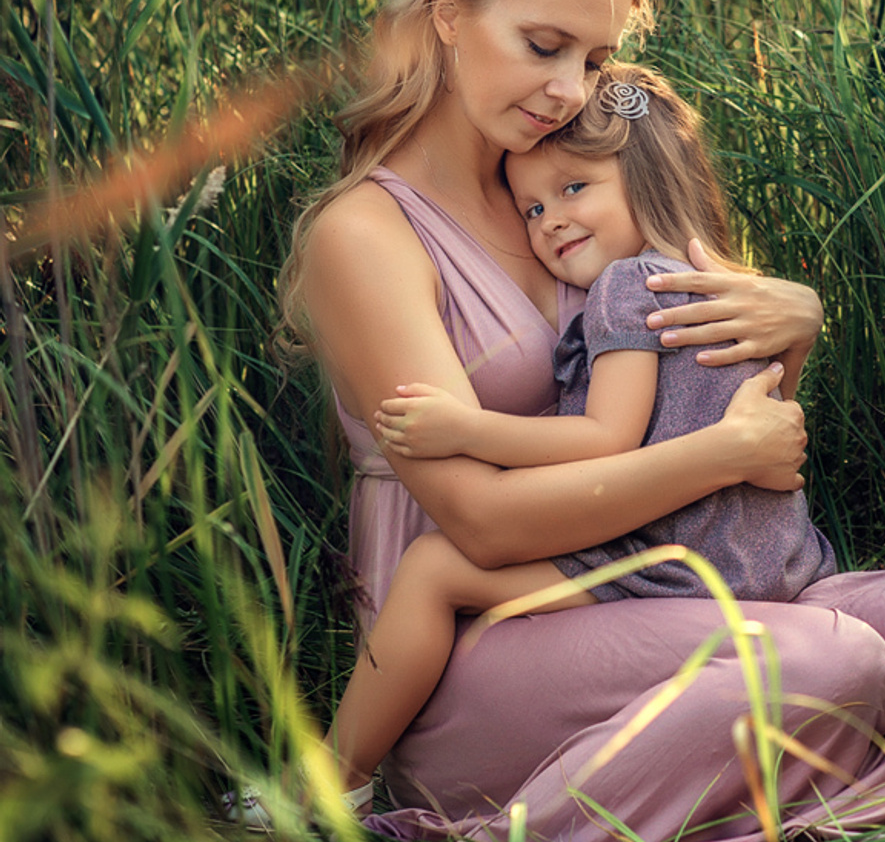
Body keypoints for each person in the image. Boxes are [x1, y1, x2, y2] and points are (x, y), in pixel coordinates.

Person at [277, 0, 885, 840]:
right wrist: (724, 455)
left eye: (595, 58)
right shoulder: (365, 234)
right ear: (447, 15)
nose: (568, 89)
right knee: (825, 664)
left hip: (649, 579)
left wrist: (793, 324)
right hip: (482, 641)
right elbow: (480, 522)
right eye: (543, 45)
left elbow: (725, 411)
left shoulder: (567, 186)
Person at [317, 65, 836, 811]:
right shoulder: (724, 288)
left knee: (432, 568)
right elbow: (772, 421)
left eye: (573, 189)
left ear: (646, 179)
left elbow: (606, 436)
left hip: (670, 562)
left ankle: (334, 783)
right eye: (530, 207)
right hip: (768, 560)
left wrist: (468, 427)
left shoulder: (628, 287)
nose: (549, 221)